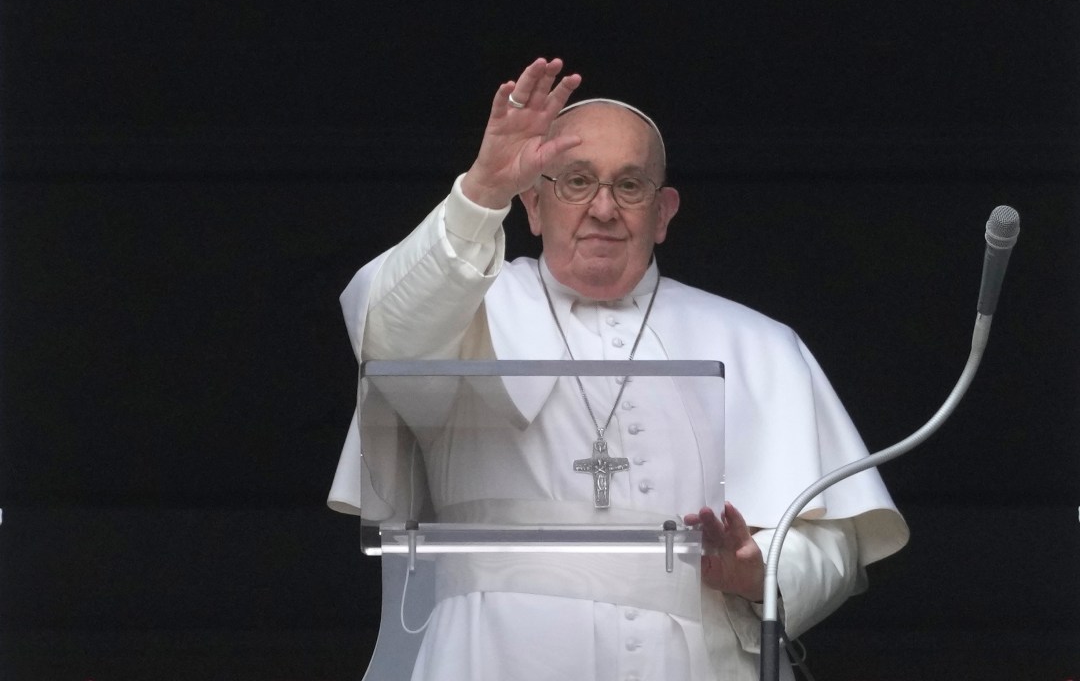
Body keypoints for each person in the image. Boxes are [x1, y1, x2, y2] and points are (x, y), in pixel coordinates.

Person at [328, 58, 909, 681]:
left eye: (629, 186)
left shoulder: (757, 343)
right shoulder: (463, 307)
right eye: (576, 181)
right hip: (489, 658)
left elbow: (832, 538)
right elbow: (385, 336)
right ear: (533, 203)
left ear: (663, 212)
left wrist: (758, 569)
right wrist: (480, 193)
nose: (603, 208)